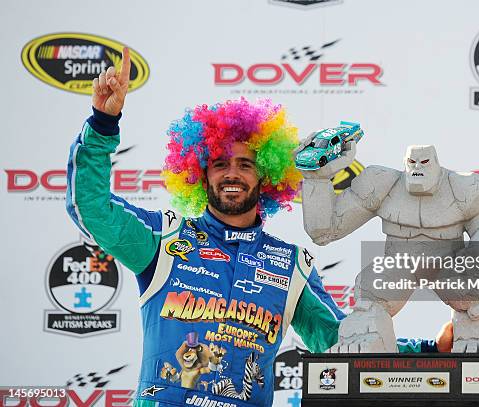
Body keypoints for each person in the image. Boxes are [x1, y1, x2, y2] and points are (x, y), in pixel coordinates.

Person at [65, 47, 452, 407]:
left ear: (266, 177)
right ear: (200, 176)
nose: (232, 174)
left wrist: (430, 350)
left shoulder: (290, 265)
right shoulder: (163, 240)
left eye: (245, 165)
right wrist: (102, 124)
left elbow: (344, 343)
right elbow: (91, 208)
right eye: (219, 164)